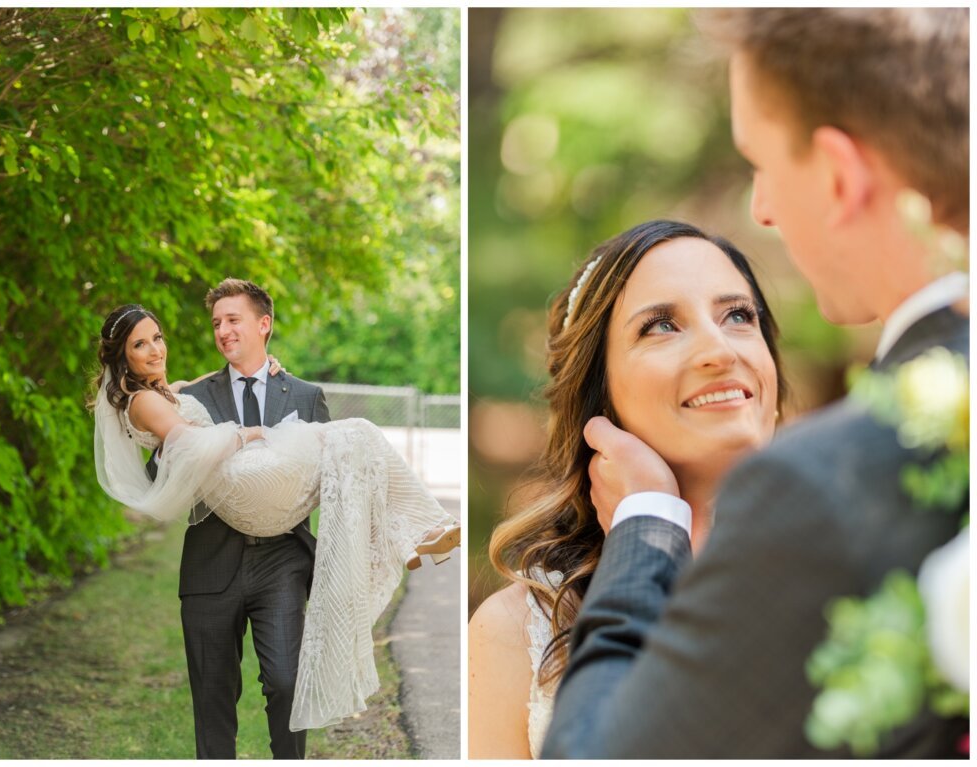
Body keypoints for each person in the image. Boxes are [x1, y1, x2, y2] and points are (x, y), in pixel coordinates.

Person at [542, 8, 968, 758]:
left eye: (762, 162)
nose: (763, 208)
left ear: (838, 176)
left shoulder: (822, 488)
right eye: (661, 325)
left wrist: (645, 522)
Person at [91, 279, 460, 759]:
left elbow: (330, 480)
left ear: (263, 324)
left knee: (287, 684)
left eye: (233, 320)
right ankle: (410, 533)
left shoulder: (306, 395)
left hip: (281, 563)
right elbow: (161, 473)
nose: (223, 331)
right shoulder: (190, 394)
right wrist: (177, 446)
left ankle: (407, 532)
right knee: (213, 701)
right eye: (216, 323)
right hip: (212, 565)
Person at [468, 220, 787, 758]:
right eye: (661, 326)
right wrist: (653, 515)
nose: (720, 350)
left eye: (738, 315)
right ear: (599, 396)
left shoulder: (865, 556)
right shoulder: (514, 632)